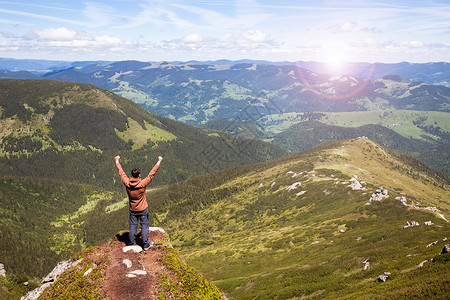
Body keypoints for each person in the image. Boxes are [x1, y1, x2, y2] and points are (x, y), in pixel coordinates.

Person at [114, 155, 163, 250]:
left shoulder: (127, 183)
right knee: (144, 226)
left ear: (132, 175)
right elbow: (151, 174)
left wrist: (117, 161)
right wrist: (159, 161)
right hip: (143, 209)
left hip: (133, 209)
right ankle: (145, 245)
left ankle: (131, 243)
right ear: (139, 175)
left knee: (133, 226)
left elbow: (121, 173)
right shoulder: (142, 184)